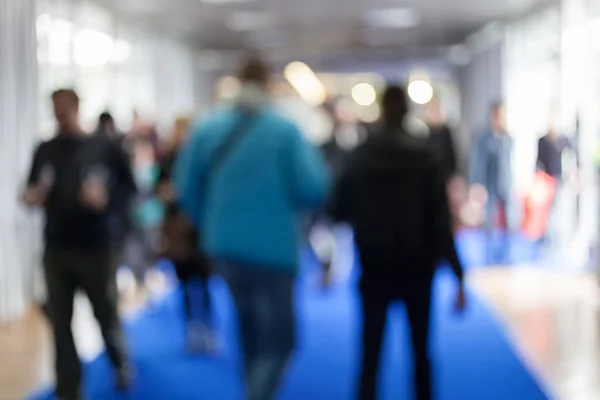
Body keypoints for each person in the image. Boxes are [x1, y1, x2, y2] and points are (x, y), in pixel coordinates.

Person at [176, 56, 330, 400]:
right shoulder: (284, 131)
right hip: (274, 251)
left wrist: (210, 221)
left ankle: (253, 388)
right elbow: (313, 188)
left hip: (224, 247)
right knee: (280, 341)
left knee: (248, 332)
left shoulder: (207, 128)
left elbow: (186, 188)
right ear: (268, 85)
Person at [329, 85, 466, 400]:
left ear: (381, 110)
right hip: (418, 267)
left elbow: (337, 209)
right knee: (421, 351)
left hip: (373, 263)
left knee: (370, 353)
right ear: (406, 111)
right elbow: (439, 221)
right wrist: (458, 273)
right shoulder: (425, 157)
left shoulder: (359, 157)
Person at [22, 89, 137, 400]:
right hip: (57, 246)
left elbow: (130, 191)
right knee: (60, 322)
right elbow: (30, 189)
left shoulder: (105, 147)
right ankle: (68, 389)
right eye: (55, 110)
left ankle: (120, 362)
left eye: (64, 109)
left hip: (96, 246)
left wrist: (106, 199)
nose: (60, 116)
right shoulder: (46, 149)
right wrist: (32, 196)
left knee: (105, 313)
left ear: (76, 108)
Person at [157, 115, 216, 352]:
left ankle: (209, 327)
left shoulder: (205, 159)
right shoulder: (169, 160)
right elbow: (159, 188)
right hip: (177, 231)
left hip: (200, 229)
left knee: (203, 280)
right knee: (183, 282)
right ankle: (192, 329)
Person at [469, 101, 513, 264]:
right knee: (489, 220)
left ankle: (506, 254)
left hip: (505, 184)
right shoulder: (483, 138)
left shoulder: (508, 137)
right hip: (489, 184)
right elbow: (478, 162)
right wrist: (476, 184)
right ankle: (489, 254)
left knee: (509, 219)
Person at [536, 109, 575, 248]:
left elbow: (573, 156)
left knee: (559, 211)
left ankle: (559, 242)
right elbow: (538, 162)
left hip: (560, 181)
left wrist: (573, 173)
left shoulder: (564, 140)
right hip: (546, 181)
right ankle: (547, 242)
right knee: (548, 212)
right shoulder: (542, 140)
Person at [425, 99, 458, 183]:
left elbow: (451, 155)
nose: (434, 114)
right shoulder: (424, 132)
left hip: (444, 175)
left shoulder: (446, 132)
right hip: (427, 175)